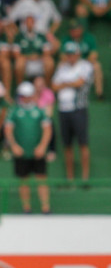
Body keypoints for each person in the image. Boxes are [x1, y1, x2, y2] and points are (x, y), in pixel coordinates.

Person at [5, 81, 51, 214]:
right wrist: (14, 146)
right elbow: (8, 130)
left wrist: (42, 147)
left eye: (27, 95)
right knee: (23, 180)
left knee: (41, 178)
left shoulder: (40, 111)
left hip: (38, 152)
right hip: (22, 152)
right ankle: (26, 208)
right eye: (23, 95)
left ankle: (45, 207)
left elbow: (47, 130)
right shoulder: (14, 111)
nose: (25, 98)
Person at [52, 42, 92, 183]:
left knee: (83, 144)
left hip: (78, 109)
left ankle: (85, 178)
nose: (70, 57)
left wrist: (64, 83)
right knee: (67, 145)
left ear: (78, 54)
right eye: (68, 54)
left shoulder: (85, 66)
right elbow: (54, 86)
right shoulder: (62, 68)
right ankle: (70, 179)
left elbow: (79, 83)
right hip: (63, 110)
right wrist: (69, 82)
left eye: (72, 54)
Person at [61, 20, 103, 99]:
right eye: (72, 30)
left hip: (85, 62)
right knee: (61, 64)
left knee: (97, 66)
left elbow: (94, 54)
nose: (74, 32)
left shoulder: (89, 37)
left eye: (76, 29)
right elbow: (62, 55)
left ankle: (99, 93)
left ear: (81, 29)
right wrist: (73, 61)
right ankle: (58, 90)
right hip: (71, 62)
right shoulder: (66, 39)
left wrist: (82, 62)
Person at [12, 15, 54, 85]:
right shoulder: (19, 37)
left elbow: (47, 52)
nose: (30, 24)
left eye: (31, 22)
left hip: (39, 62)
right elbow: (16, 54)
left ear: (34, 23)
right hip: (26, 63)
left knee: (49, 61)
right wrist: (29, 57)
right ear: (25, 23)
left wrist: (37, 57)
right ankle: (20, 87)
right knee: (19, 62)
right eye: (28, 22)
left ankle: (47, 86)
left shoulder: (41, 36)